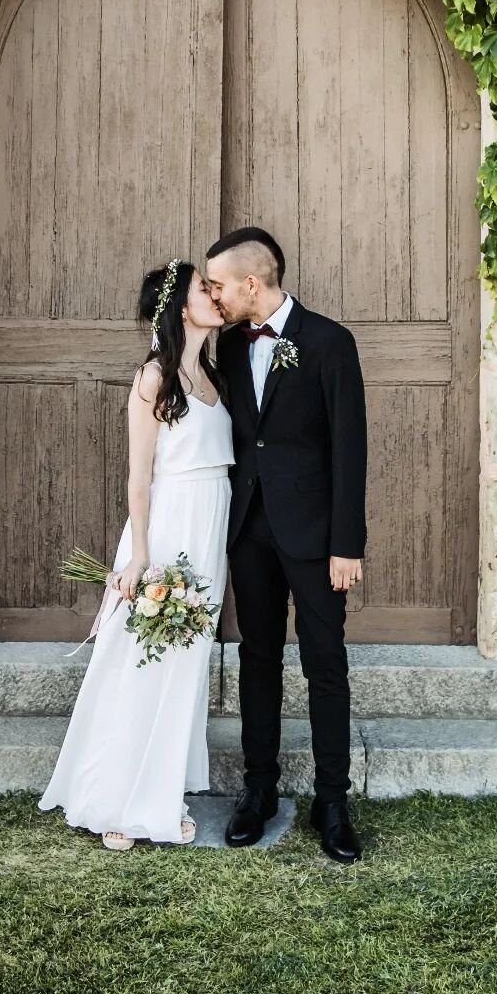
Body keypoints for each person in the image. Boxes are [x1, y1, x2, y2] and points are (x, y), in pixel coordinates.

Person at [37, 259, 232, 849]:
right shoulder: (154, 377)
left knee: (185, 663)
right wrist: (140, 554)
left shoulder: (212, 375)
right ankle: (117, 798)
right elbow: (138, 478)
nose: (216, 296)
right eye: (205, 288)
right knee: (144, 661)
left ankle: (161, 788)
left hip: (210, 529)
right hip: (170, 527)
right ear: (178, 305)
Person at [203, 227, 367, 863]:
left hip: (318, 538)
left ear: (252, 283)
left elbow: (349, 449)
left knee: (326, 665)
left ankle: (333, 802)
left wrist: (346, 543)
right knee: (258, 660)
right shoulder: (229, 344)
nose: (214, 296)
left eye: (219, 285)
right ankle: (260, 790)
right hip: (251, 531)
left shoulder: (329, 342)